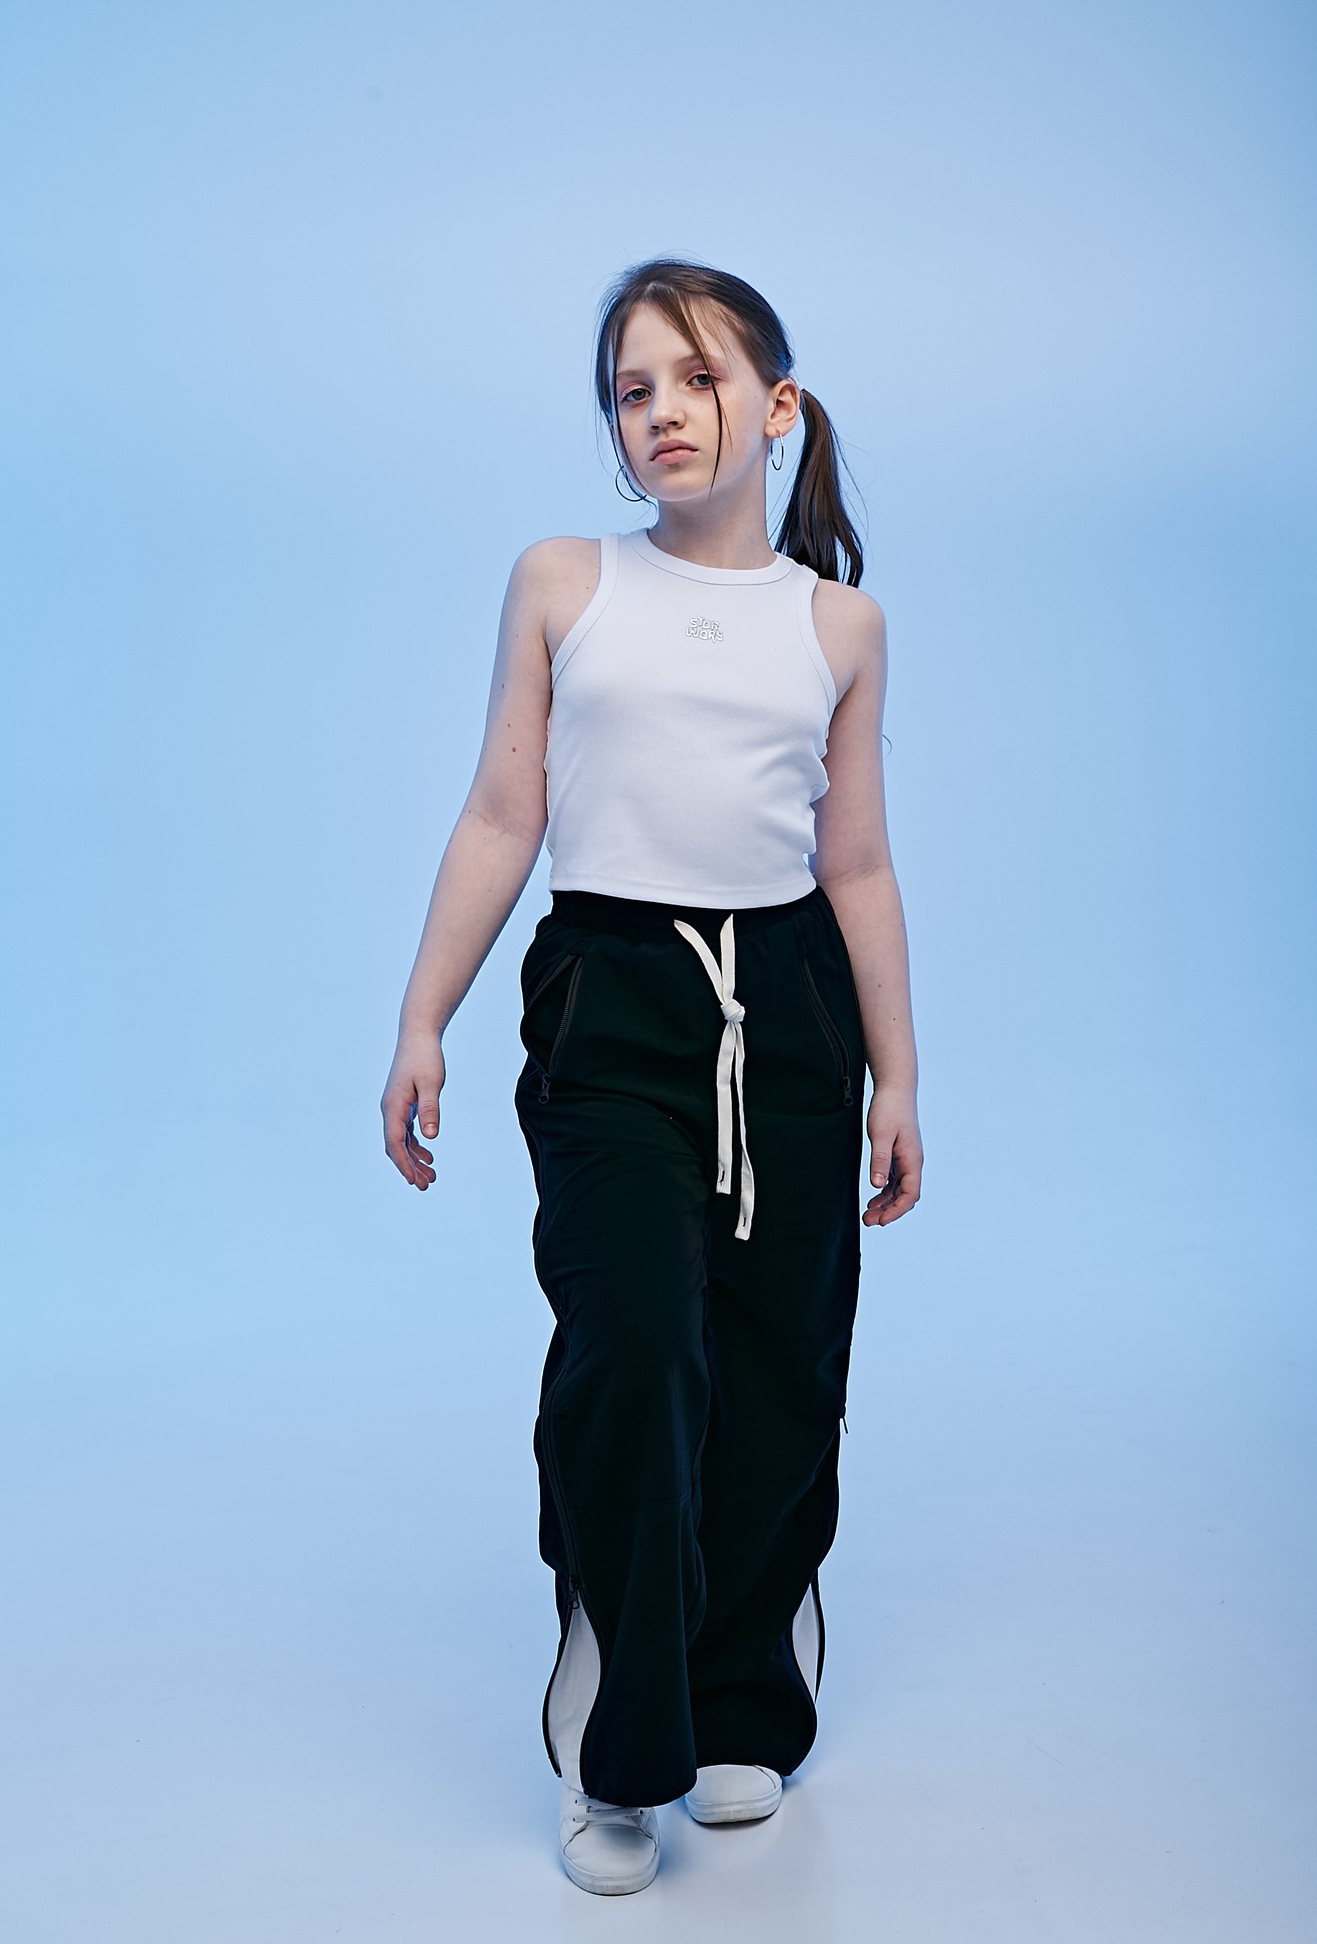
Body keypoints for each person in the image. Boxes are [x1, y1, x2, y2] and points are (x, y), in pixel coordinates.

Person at [380, 260, 922, 1896]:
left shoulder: (836, 624)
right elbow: (503, 811)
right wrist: (422, 1019)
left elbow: (857, 861)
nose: (662, 412)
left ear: (776, 407)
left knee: (774, 1355)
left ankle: (744, 1684)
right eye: (631, 390)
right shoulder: (564, 582)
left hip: (791, 1011)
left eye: (696, 378)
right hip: (613, 999)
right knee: (632, 1341)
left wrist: (897, 1078)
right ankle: (615, 1722)